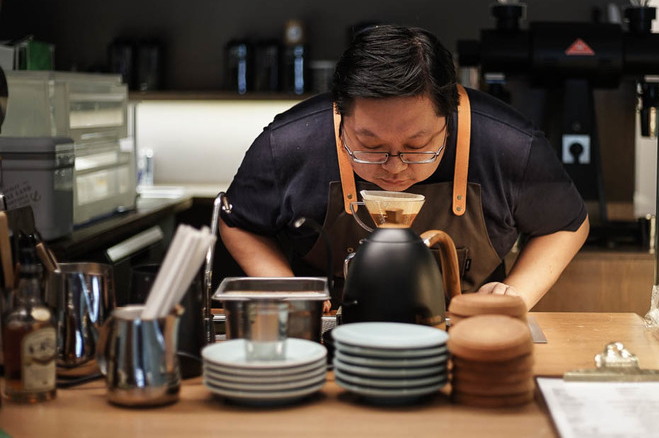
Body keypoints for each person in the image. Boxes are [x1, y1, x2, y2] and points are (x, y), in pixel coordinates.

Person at [219, 25, 589, 311]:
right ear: (339, 113)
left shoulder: (508, 144)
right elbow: (238, 221)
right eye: (370, 146)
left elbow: (566, 224)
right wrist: (288, 289)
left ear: (451, 113)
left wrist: (517, 294)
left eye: (416, 146)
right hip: (327, 338)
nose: (394, 168)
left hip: (468, 331)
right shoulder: (289, 143)